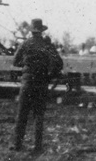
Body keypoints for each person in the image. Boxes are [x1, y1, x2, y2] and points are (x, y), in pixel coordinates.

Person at [10, 18, 63, 153]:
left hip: (27, 82)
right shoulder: (47, 45)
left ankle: (17, 144)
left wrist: (27, 63)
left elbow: (15, 61)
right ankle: (37, 146)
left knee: (22, 114)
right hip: (41, 82)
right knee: (38, 116)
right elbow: (59, 62)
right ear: (41, 30)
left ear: (31, 31)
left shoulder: (25, 44)